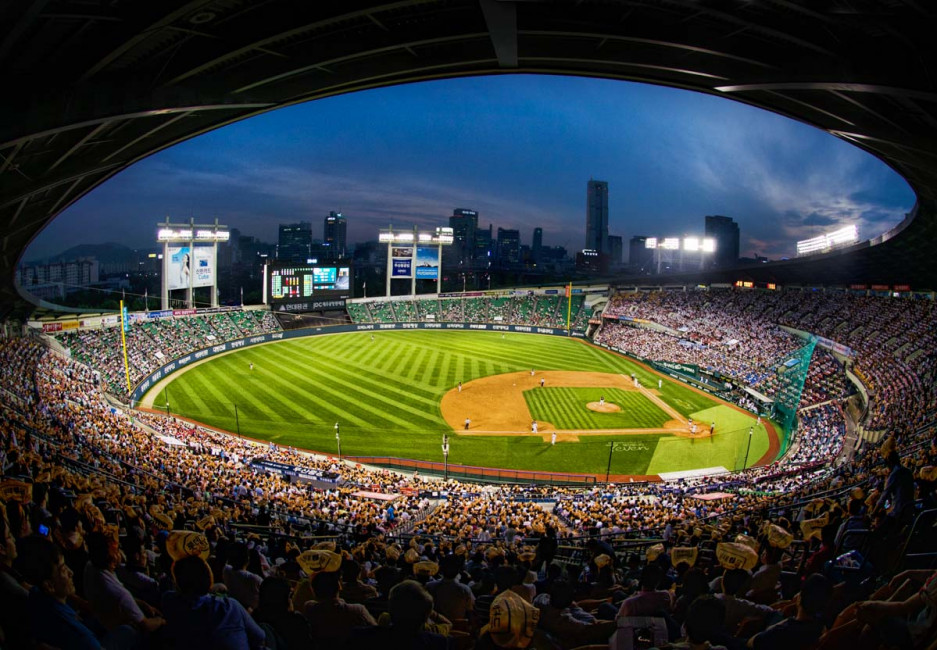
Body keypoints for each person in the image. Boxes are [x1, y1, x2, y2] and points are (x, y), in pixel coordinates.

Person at [161, 554, 265, 649]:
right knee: (266, 630)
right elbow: (260, 637)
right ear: (208, 576)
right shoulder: (229, 606)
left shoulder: (169, 600)